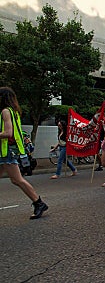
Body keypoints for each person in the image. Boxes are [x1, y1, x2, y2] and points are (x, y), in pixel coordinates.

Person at [0, 87, 48, 219]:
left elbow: (8, 133)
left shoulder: (5, 111)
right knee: (17, 180)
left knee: (17, 179)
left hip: (7, 152)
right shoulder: (12, 111)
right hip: (5, 152)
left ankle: (38, 203)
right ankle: (39, 203)